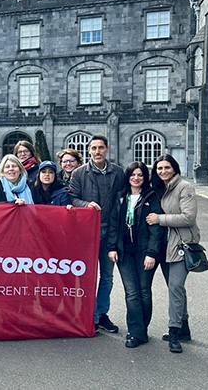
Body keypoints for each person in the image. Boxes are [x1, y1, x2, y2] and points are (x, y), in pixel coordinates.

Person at [68, 134, 124, 334]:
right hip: (88, 233)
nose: (97, 152)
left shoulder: (118, 172)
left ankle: (101, 314)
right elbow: (72, 198)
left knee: (107, 276)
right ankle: (87, 315)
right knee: (87, 276)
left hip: (111, 232)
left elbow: (123, 200)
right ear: (89, 150)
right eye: (94, 148)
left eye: (101, 148)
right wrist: (86, 205)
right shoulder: (79, 173)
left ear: (107, 149)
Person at [107, 162, 164, 348]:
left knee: (144, 292)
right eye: (133, 175)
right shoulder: (121, 197)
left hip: (144, 251)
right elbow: (114, 223)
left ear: (145, 177)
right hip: (124, 251)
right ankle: (135, 332)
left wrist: (151, 253)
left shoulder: (151, 196)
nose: (136, 178)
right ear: (128, 176)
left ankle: (142, 329)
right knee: (131, 292)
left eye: (140, 175)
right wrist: (112, 247)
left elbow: (156, 229)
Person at [147, 154, 200, 354]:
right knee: (175, 288)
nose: (163, 172)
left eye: (167, 168)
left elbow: (188, 217)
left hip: (181, 245)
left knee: (175, 286)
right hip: (163, 245)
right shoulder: (158, 188)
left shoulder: (184, 187)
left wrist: (159, 219)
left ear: (174, 168)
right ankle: (184, 326)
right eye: (159, 168)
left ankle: (174, 331)